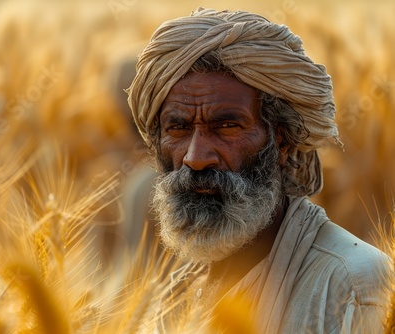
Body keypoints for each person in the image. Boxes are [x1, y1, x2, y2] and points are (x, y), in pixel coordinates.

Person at [126, 7, 392, 333]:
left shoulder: (356, 286)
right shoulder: (175, 292)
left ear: (281, 141)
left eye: (226, 126)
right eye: (178, 128)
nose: (195, 158)